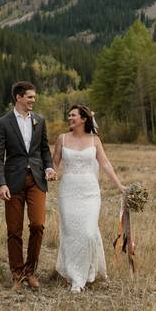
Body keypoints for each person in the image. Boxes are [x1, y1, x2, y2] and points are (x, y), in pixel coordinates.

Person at [52, 104, 126, 293]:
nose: (70, 118)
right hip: (68, 191)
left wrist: (120, 186)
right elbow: (54, 164)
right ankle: (76, 276)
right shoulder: (62, 139)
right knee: (70, 233)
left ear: (84, 119)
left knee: (88, 232)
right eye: (69, 115)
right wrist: (49, 173)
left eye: (73, 115)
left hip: (90, 193)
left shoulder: (95, 140)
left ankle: (88, 269)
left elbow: (105, 164)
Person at [0, 81, 56, 289]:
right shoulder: (4, 122)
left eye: (34, 98)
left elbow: (44, 149)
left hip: (37, 179)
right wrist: (1, 184)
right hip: (13, 182)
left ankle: (31, 271)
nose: (33, 101)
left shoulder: (40, 120)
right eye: (30, 97)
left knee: (37, 225)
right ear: (18, 97)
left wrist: (49, 167)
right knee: (14, 230)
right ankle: (17, 274)